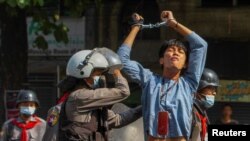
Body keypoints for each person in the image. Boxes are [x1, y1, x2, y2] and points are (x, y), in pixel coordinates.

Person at [117, 11, 207, 141]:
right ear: (161, 60)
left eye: (180, 51)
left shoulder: (189, 84)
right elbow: (122, 60)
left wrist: (174, 24)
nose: (175, 53)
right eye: (170, 50)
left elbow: (201, 45)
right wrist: (136, 27)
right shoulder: (149, 80)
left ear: (186, 64)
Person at [43, 48, 142, 141]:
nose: (101, 78)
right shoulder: (80, 97)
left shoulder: (91, 103)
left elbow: (118, 120)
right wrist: (116, 71)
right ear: (84, 73)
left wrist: (144, 107)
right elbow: (123, 91)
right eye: (98, 74)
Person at [190, 68, 219, 141]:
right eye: (210, 88)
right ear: (198, 88)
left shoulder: (201, 113)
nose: (214, 93)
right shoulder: (190, 112)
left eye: (215, 89)